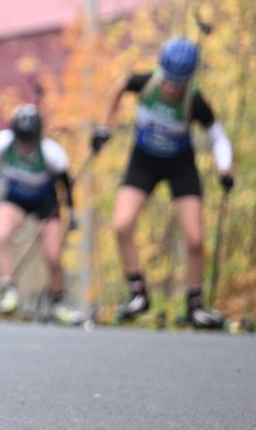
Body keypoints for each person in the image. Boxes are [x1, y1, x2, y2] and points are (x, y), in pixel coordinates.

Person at [92, 35, 236, 328]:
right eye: (168, 80)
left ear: (188, 80)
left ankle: (195, 304)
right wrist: (103, 127)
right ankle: (138, 292)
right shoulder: (146, 83)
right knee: (121, 224)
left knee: (195, 238)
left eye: (178, 82)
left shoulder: (194, 101)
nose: (171, 87)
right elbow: (119, 87)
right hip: (144, 160)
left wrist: (225, 168)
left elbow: (218, 137)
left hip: (180, 165)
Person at [0, 103, 85, 324]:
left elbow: (66, 183)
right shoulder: (4, 142)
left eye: (29, 141)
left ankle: (59, 301)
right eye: (21, 140)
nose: (25, 147)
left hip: (45, 202)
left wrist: (71, 213)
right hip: (16, 198)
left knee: (52, 255)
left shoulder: (51, 154)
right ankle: (9, 291)